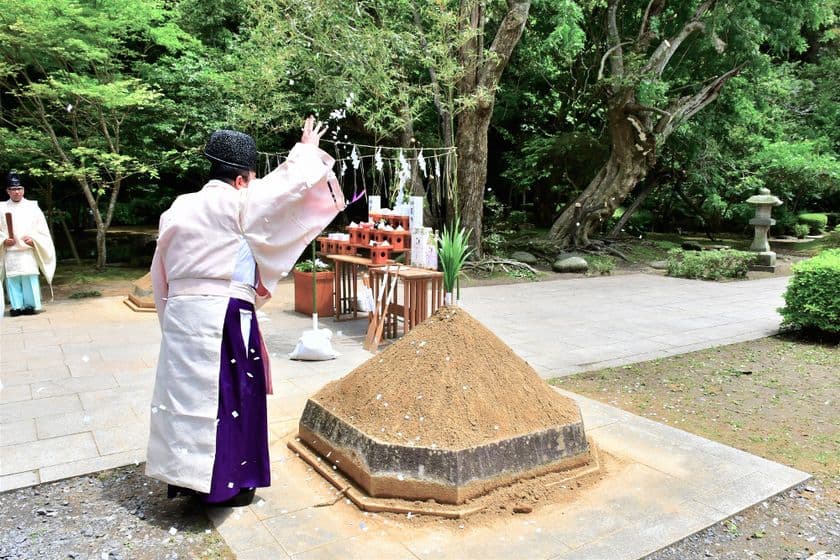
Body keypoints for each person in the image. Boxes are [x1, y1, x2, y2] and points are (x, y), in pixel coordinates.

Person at [145, 117, 344, 507]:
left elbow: (159, 273)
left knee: (186, 398)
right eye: (252, 178)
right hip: (227, 313)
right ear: (241, 179)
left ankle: (186, 479)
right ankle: (229, 484)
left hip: (183, 314)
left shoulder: (178, 208)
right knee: (232, 395)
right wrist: (305, 148)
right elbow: (289, 185)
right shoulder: (242, 201)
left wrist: (169, 321)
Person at [1, 171, 56, 317]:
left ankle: (31, 305)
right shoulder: (1, 208)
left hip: (27, 251)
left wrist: (34, 240)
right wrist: (4, 240)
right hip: (10, 251)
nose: (17, 192)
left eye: (19, 189)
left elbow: (42, 229)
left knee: (29, 278)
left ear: (23, 190)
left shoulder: (33, 207)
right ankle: (16, 306)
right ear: (8, 191)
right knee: (12, 279)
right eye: (13, 189)